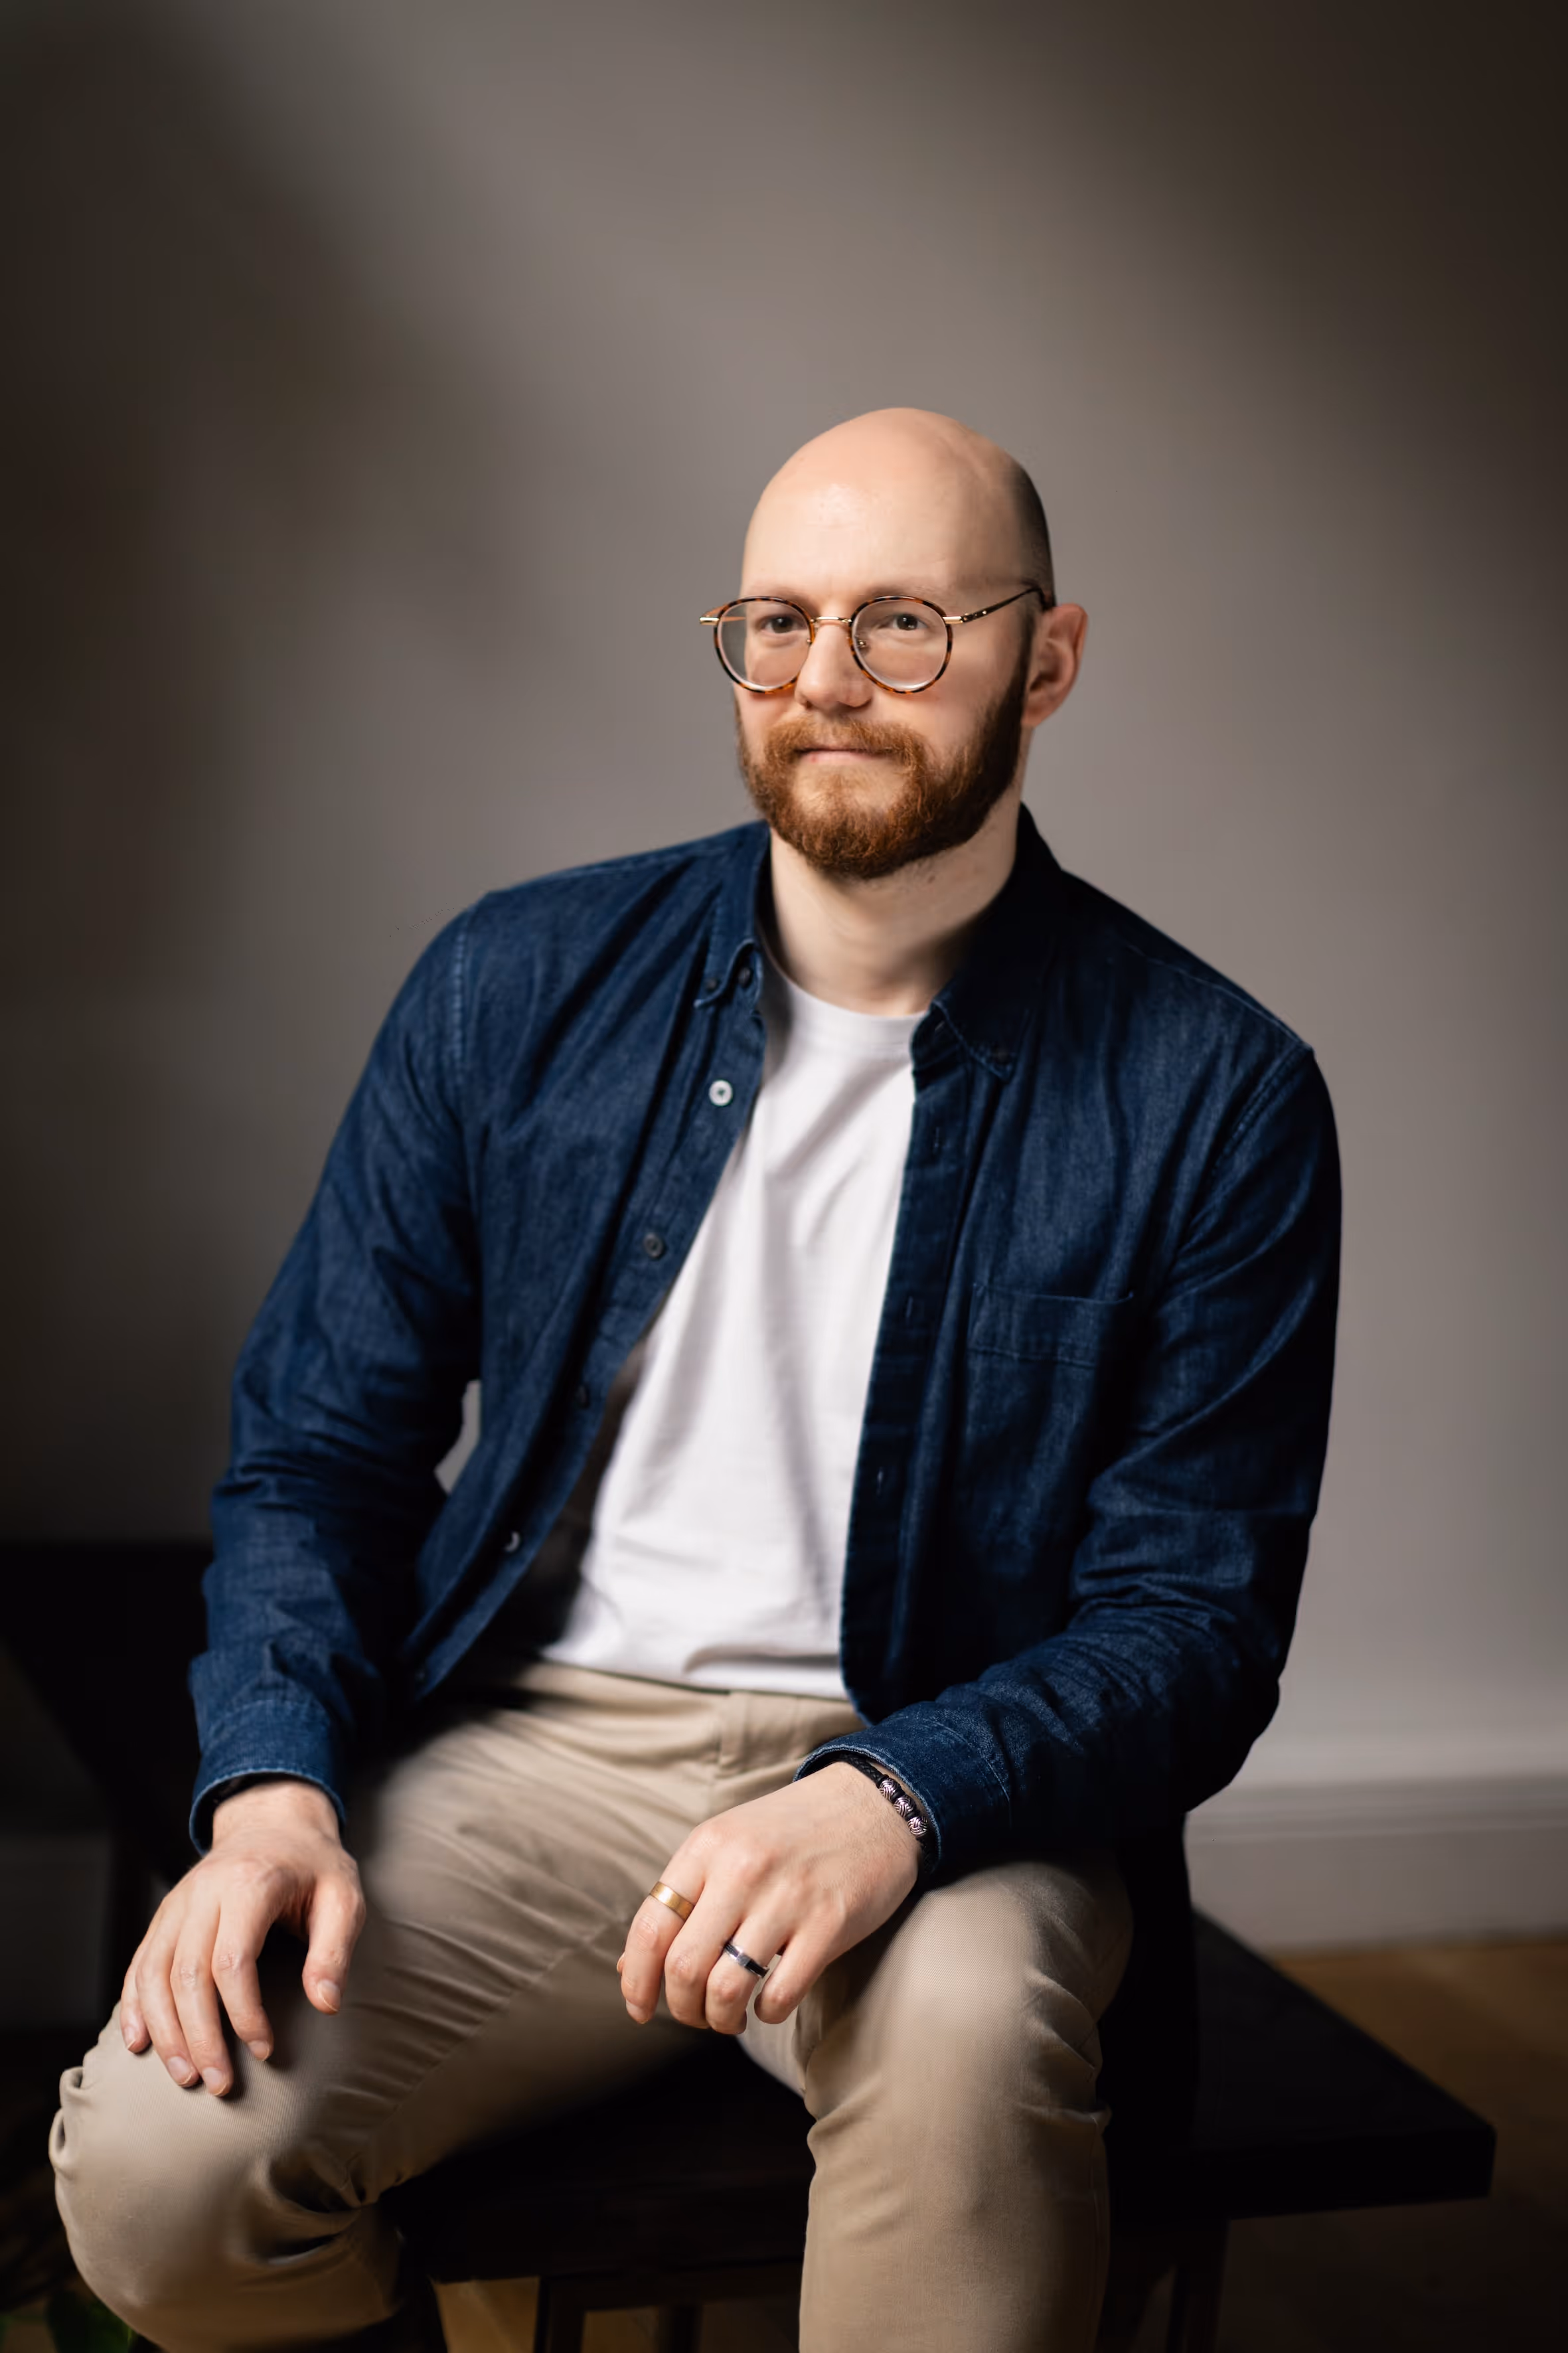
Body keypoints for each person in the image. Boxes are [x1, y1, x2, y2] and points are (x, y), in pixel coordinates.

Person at [50, 408, 1340, 2353]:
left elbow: (1196, 1622)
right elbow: (322, 1451)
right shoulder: (514, 985)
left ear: (1047, 660)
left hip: (949, 1779)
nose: (827, 682)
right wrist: (274, 1798)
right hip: (549, 1751)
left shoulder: (1216, 1092)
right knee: (158, 2184)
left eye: (906, 623)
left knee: (980, 2051)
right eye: (779, 623)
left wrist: (895, 1793)